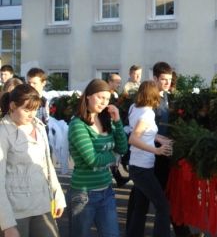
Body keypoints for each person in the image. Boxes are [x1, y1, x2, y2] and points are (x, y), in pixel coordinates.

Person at [0, 84, 66, 237]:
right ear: (12, 106)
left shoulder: (39, 126)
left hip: (42, 205)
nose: (32, 114)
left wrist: (58, 194)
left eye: (35, 109)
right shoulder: (3, 132)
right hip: (15, 211)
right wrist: (7, 224)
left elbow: (47, 164)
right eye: (26, 109)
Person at [67, 79, 128, 237]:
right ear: (88, 96)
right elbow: (93, 159)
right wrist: (113, 156)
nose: (104, 102)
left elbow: (122, 148)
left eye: (107, 99)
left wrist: (118, 121)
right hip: (83, 194)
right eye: (100, 97)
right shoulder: (78, 125)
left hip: (106, 191)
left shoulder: (106, 119)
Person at [127, 81, 173, 236]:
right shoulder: (147, 113)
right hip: (142, 168)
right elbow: (133, 139)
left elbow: (145, 133)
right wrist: (157, 150)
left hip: (137, 166)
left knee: (141, 207)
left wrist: (161, 139)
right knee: (162, 206)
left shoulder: (134, 108)